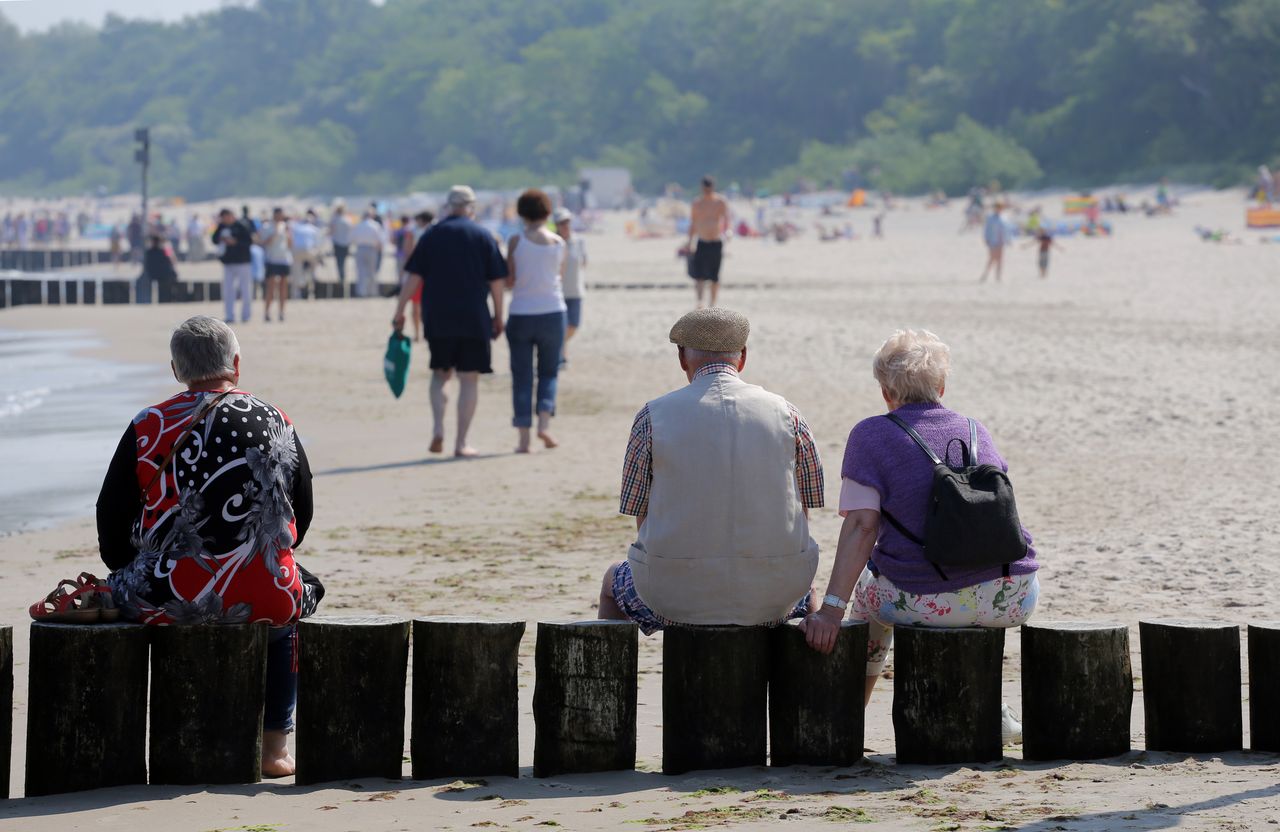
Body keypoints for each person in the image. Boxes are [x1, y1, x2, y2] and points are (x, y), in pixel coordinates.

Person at [95, 316, 323, 777]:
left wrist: (129, 569)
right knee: (295, 599)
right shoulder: (277, 419)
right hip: (265, 591)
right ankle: (275, 748)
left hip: (166, 593)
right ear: (236, 364)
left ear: (177, 369)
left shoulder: (149, 424)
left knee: (125, 585)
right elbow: (303, 510)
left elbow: (110, 514)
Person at [801, 329, 1038, 740]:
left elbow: (862, 526)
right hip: (1015, 594)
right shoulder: (976, 429)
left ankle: (849, 714)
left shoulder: (871, 435)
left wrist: (832, 609)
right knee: (970, 589)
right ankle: (991, 710)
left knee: (868, 597)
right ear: (941, 387)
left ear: (885, 391)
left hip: (928, 599)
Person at [598, 308, 824, 633]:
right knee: (806, 589)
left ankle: (609, 680)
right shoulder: (788, 414)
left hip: (672, 597)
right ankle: (803, 677)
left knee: (612, 580)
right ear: (742, 357)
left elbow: (639, 514)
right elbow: (806, 508)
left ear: (682, 358)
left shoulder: (652, 416)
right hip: (776, 595)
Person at [393, 186, 507, 457]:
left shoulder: (432, 234)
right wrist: (499, 315)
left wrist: (400, 310)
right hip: (473, 316)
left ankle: (437, 429)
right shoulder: (483, 236)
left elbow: (413, 278)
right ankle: (461, 442)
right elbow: (497, 281)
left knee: (440, 374)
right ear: (472, 207)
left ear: (449, 205)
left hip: (438, 316)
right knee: (469, 379)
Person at [505, 190, 567, 453]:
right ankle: (544, 423)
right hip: (553, 311)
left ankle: (523, 439)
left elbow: (510, 280)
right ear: (547, 212)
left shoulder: (516, 241)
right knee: (549, 371)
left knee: (522, 376)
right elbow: (559, 276)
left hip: (521, 311)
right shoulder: (558, 243)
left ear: (521, 213)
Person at [686, 175, 730, 307]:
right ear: (702, 188)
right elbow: (693, 223)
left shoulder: (720, 202)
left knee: (714, 276)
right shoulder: (697, 203)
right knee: (699, 274)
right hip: (702, 241)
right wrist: (690, 241)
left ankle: (713, 303)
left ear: (713, 188)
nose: (707, 192)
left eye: (709, 189)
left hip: (716, 241)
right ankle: (700, 301)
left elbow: (727, 220)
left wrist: (728, 232)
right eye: (705, 189)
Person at [553, 208, 586, 365]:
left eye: (567, 222)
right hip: (558, 292)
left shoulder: (579, 241)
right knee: (561, 326)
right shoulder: (553, 242)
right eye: (561, 223)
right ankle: (561, 355)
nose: (565, 225)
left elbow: (584, 261)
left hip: (576, 290)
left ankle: (558, 347)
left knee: (573, 325)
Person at [212, 208, 254, 324]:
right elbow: (214, 239)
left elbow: (249, 242)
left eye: (227, 217)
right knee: (228, 290)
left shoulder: (241, 226)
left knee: (245, 289)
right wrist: (222, 238)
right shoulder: (221, 227)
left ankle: (246, 315)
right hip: (228, 262)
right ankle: (230, 315)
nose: (225, 219)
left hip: (243, 262)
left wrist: (235, 242)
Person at [259, 208, 292, 322]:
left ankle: (282, 312)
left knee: (283, 287)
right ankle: (267, 312)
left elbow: (289, 243)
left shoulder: (285, 226)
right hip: (272, 258)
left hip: (284, 258)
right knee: (271, 287)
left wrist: (287, 233)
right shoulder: (267, 227)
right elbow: (262, 242)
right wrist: (274, 234)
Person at [405, 211, 435, 339]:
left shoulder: (414, 232)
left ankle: (417, 334)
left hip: (418, 272)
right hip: (433, 272)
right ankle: (427, 331)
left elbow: (408, 252)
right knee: (430, 305)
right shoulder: (437, 232)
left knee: (416, 305)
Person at [351, 211, 385, 298]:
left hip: (360, 248)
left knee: (361, 271)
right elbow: (380, 240)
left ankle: (361, 292)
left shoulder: (358, 225)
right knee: (372, 272)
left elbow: (353, 238)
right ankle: (372, 292)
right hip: (371, 249)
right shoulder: (375, 225)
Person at [290, 210, 322, 299]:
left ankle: (296, 294)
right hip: (309, 251)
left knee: (296, 272)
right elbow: (318, 245)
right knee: (313, 270)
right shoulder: (315, 229)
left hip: (297, 251)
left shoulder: (297, 227)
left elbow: (292, 240)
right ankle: (312, 290)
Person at [979, 202, 1012, 282]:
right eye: (997, 207)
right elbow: (987, 229)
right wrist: (986, 239)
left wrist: (1008, 240)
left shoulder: (1004, 217)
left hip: (1001, 241)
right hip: (992, 240)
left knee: (1000, 259)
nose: (998, 209)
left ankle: (998, 276)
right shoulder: (990, 217)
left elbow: (1007, 229)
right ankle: (985, 274)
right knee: (992, 258)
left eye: (1000, 207)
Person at [140, 234, 178, 303]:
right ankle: (168, 299)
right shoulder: (165, 250)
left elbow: (145, 266)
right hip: (165, 275)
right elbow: (173, 261)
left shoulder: (148, 252)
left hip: (152, 275)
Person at [329, 205, 352, 289]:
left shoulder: (335, 219)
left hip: (338, 243)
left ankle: (341, 277)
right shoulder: (348, 219)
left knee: (339, 262)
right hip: (346, 243)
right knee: (344, 261)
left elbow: (331, 231)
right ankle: (343, 276)